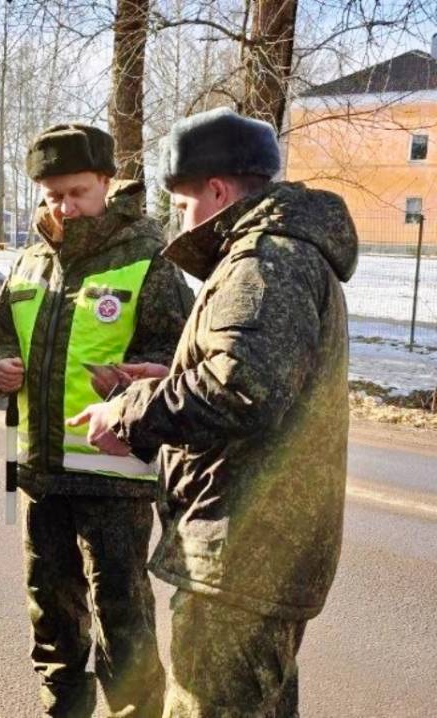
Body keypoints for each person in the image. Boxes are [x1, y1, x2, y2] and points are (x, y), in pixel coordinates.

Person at [69, 107, 358, 717]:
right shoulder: (277, 254)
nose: (179, 218)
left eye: (180, 203)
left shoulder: (264, 260)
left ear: (218, 192)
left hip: (242, 553)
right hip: (253, 550)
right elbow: (255, 374)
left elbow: (241, 388)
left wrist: (129, 414)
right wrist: (170, 378)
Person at [0, 123, 192, 718]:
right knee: (50, 613)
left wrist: (137, 378)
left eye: (77, 192)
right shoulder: (28, 262)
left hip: (113, 477)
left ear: (106, 182)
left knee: (122, 618)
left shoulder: (149, 259)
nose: (65, 208)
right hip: (40, 475)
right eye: (53, 196)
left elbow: (186, 359)